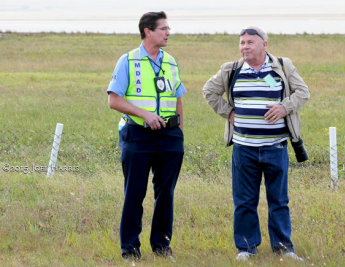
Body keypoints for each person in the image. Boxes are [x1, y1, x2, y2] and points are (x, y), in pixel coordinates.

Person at [203, 27, 310, 262]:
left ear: (265, 44)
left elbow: (303, 92)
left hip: (276, 146)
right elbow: (209, 91)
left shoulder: (282, 66)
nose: (244, 47)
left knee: (279, 201)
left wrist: (285, 107)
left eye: (250, 42)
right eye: (241, 43)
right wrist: (228, 112)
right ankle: (246, 248)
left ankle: (284, 248)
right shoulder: (231, 70)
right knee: (244, 201)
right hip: (244, 148)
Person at [107, 11, 185, 262]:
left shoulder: (171, 61)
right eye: (163, 28)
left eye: (168, 28)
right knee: (134, 193)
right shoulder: (127, 61)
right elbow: (114, 100)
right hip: (138, 135)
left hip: (170, 137)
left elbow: (178, 97)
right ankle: (130, 249)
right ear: (147, 31)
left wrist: (179, 132)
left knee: (166, 194)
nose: (168, 33)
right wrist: (145, 115)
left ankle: (162, 246)